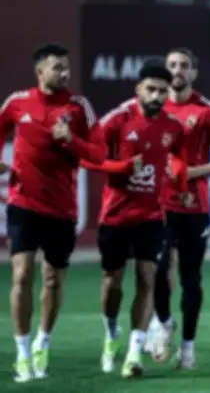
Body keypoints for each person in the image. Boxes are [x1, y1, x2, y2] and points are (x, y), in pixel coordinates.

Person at [3, 43, 104, 382]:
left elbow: (99, 153)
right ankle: (21, 352)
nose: (65, 73)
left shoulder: (78, 107)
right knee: (21, 275)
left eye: (66, 67)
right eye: (58, 67)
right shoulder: (17, 102)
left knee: (52, 280)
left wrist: (71, 139)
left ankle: (42, 342)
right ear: (40, 72)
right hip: (23, 204)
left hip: (61, 208)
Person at [83, 63, 189, 378]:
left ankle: (133, 353)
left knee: (147, 278)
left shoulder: (173, 127)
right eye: (151, 89)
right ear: (138, 89)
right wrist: (121, 167)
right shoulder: (117, 120)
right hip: (116, 215)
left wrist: (181, 185)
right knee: (112, 282)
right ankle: (111, 333)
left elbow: (180, 157)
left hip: (151, 215)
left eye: (162, 91)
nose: (157, 96)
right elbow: (87, 156)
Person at [149, 48, 210, 369]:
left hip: (194, 205)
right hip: (159, 204)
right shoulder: (153, 106)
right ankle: (163, 322)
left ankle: (188, 345)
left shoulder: (206, 111)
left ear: (194, 72)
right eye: (172, 64)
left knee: (191, 278)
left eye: (184, 65)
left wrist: (192, 172)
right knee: (158, 269)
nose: (177, 70)